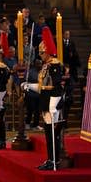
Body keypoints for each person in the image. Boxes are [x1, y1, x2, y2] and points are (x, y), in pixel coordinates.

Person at [22, 27, 64, 170]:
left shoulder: (55, 65)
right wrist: (29, 86)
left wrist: (53, 105)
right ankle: (50, 158)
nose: (40, 56)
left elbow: (57, 86)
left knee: (52, 133)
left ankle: (54, 160)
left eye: (41, 53)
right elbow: (42, 87)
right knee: (47, 133)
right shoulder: (46, 65)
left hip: (53, 101)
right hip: (45, 101)